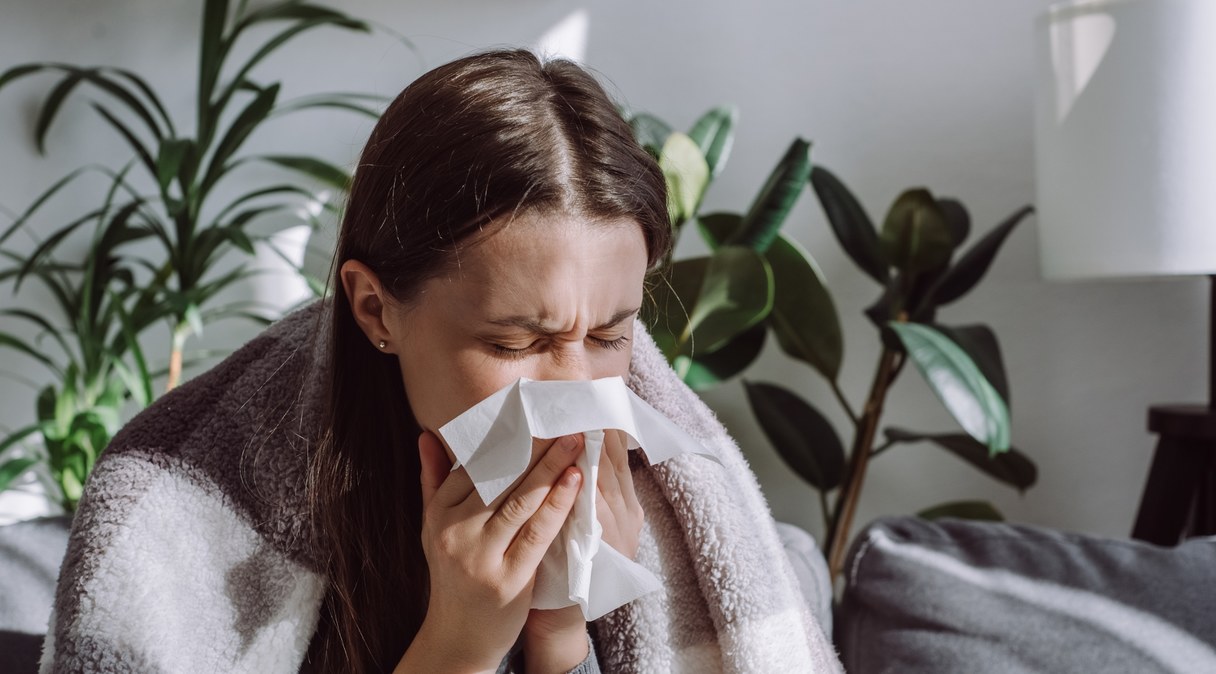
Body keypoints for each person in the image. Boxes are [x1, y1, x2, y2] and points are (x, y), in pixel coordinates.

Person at [43, 49, 840, 673]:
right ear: (375, 310)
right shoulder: (177, 499)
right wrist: (459, 647)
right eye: (515, 343)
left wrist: (560, 622)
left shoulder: (658, 491)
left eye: (608, 337)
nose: (576, 391)